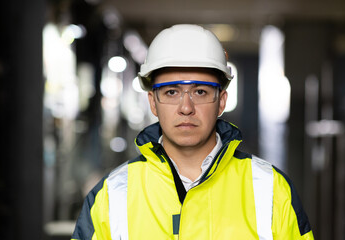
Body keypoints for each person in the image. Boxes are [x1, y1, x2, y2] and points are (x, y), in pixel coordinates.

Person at [71, 24, 314, 240]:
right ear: (152, 102)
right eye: (171, 92)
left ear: (221, 101)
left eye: (200, 92)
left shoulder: (271, 190)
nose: (186, 108)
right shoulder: (111, 195)